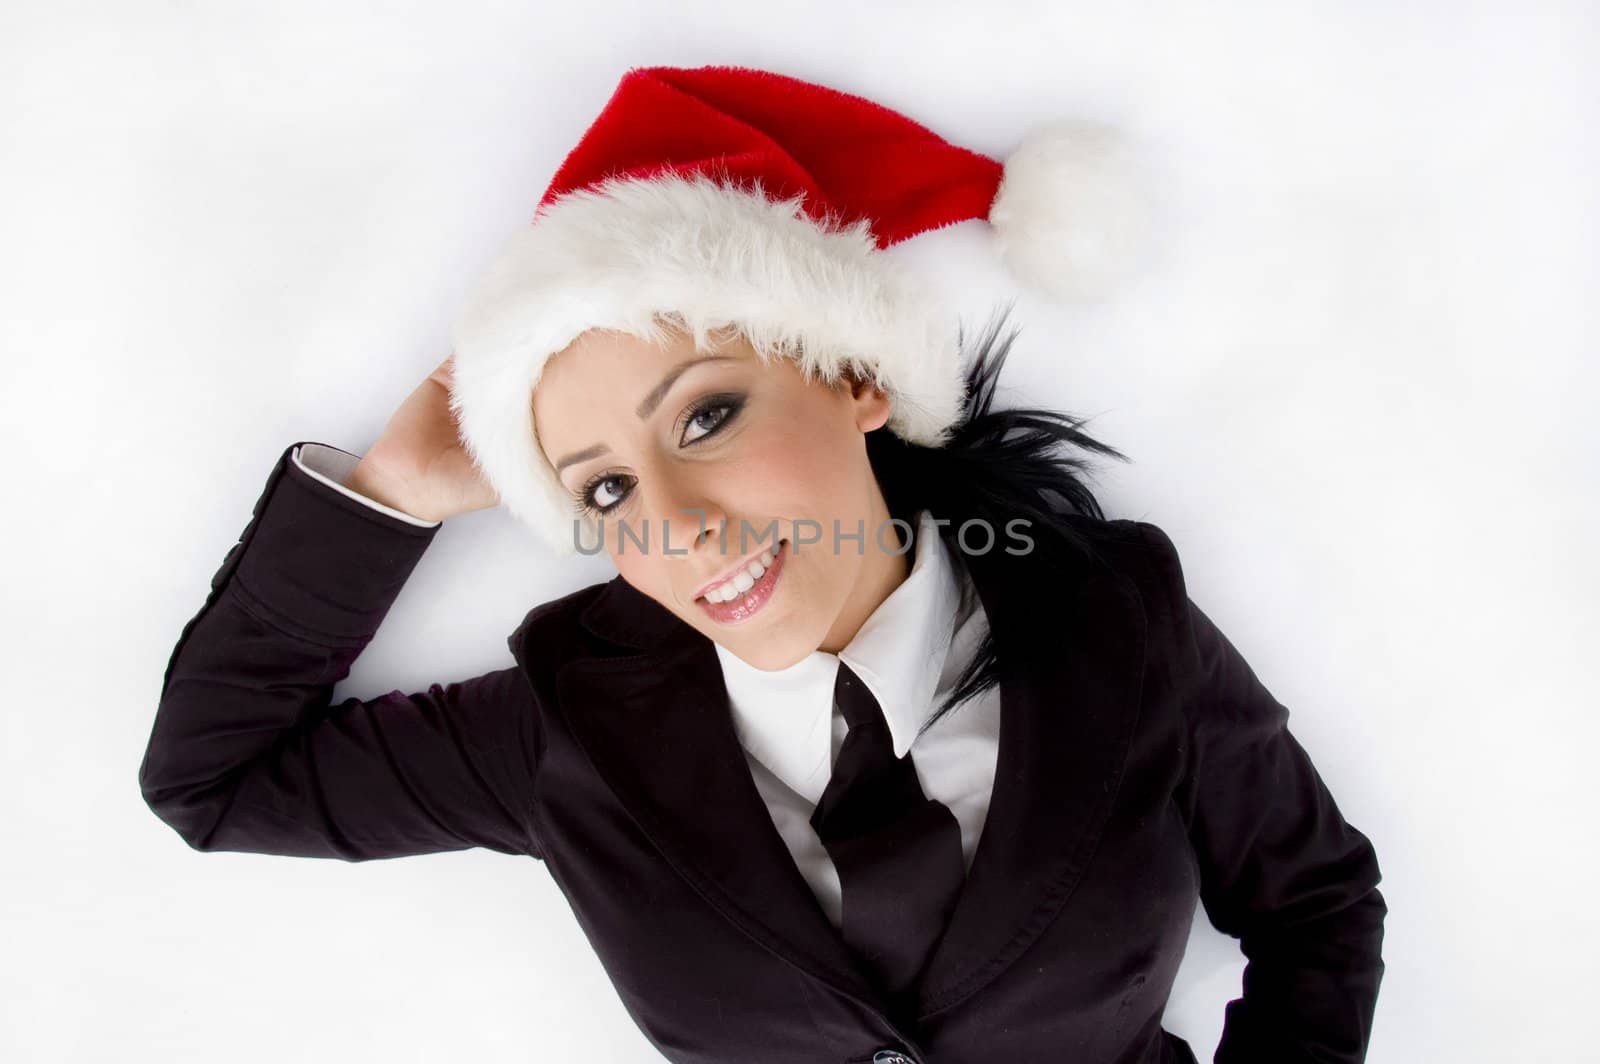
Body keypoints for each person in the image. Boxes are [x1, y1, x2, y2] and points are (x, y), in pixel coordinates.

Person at [138, 65, 1386, 1063]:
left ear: (854, 376)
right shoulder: (566, 730)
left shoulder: (1115, 624)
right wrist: (394, 495)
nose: (674, 521)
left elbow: (1314, 902)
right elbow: (216, 780)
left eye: (705, 417)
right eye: (605, 486)